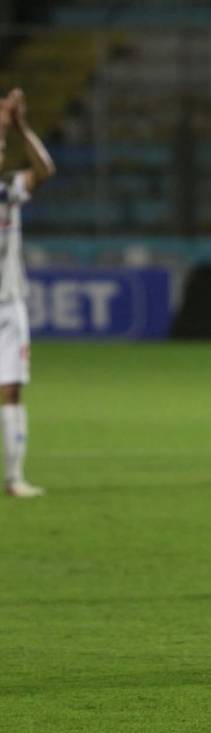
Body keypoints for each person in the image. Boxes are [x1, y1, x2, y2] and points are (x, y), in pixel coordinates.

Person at [0, 88, 55, 498]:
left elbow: (45, 169)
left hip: (9, 306)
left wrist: (20, 128)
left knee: (12, 389)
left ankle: (14, 478)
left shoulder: (10, 191)